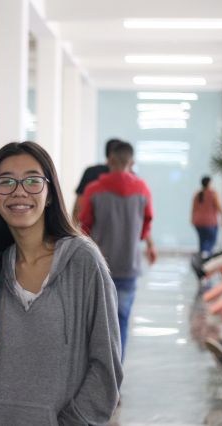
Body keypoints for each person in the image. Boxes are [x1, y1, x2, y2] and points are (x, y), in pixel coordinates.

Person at [0, 141, 122, 425]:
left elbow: (106, 368)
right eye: (6, 181)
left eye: (33, 180)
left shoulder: (83, 261)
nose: (19, 191)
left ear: (50, 195)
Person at [79, 141, 157, 361]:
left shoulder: (94, 190)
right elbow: (147, 221)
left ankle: (95, 369)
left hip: (99, 267)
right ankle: (115, 372)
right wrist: (138, 239)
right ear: (131, 162)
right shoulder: (142, 189)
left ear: (110, 160)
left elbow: (84, 226)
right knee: (121, 321)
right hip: (129, 266)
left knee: (94, 323)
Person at [72, 138, 122, 222]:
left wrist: (74, 225)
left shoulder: (91, 172)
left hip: (92, 227)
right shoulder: (130, 178)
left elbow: (78, 205)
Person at [191, 175, 222, 258]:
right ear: (209, 183)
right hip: (210, 222)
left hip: (198, 222)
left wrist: (192, 220)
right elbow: (219, 207)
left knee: (202, 240)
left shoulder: (197, 194)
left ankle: (202, 257)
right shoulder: (213, 194)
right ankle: (206, 255)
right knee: (212, 240)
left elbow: (193, 209)